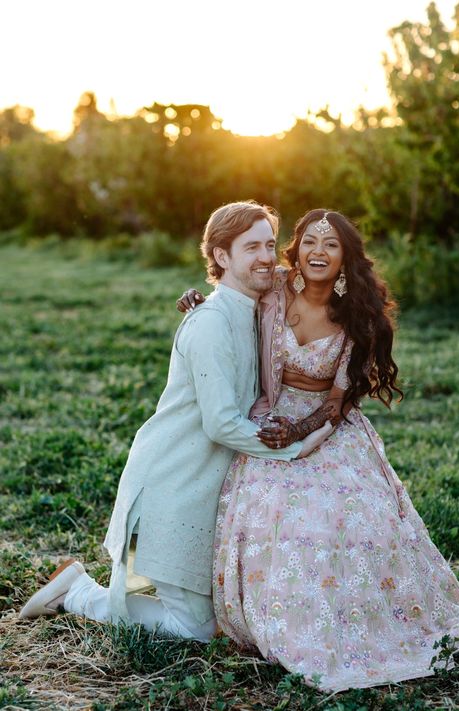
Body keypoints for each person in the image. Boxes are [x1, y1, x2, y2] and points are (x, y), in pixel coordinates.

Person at [182, 209, 459, 691]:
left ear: (345, 258)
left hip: (327, 426)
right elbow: (230, 289)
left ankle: (355, 622)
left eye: (331, 244)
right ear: (295, 250)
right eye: (310, 242)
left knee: (345, 513)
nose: (319, 252)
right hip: (269, 414)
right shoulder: (274, 287)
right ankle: (269, 616)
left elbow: (340, 400)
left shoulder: (357, 315)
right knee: (272, 505)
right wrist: (197, 298)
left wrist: (302, 428)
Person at [19, 201, 328, 641]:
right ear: (221, 257)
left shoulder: (255, 312)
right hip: (165, 494)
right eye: (251, 247)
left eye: (269, 245)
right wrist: (296, 448)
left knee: (187, 612)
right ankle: (76, 593)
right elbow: (221, 424)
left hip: (196, 491)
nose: (265, 256)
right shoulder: (211, 323)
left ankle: (103, 589)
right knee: (196, 630)